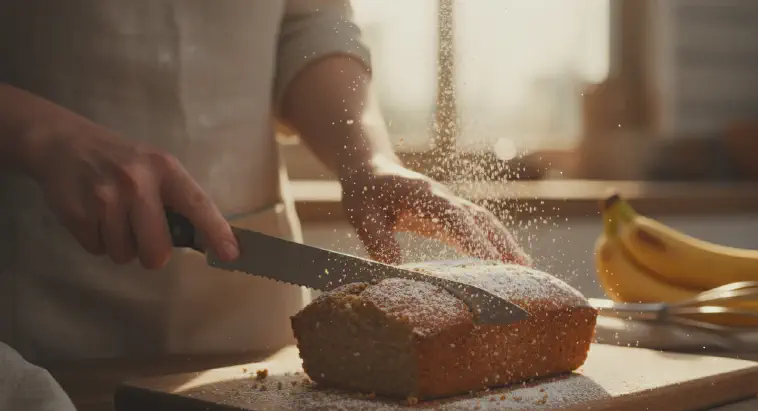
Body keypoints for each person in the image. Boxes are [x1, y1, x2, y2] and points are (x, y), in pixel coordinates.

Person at [0, 0, 531, 363]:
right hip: (35, 304)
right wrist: (47, 138)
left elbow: (310, 21)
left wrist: (367, 159)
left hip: (248, 314)